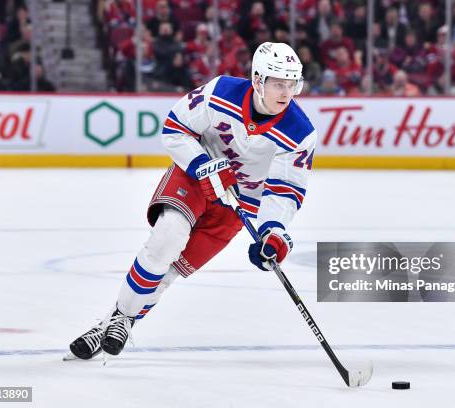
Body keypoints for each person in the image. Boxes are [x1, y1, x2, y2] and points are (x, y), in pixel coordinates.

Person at [67, 42, 317, 360]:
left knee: (171, 271)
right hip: (196, 178)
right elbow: (175, 129)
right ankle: (123, 317)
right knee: (166, 239)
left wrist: (272, 232)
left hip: (236, 207)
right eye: (278, 83)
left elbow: (285, 188)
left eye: (292, 84)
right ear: (258, 80)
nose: (286, 92)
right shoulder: (220, 93)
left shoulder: (300, 132)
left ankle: (115, 321)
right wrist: (203, 166)